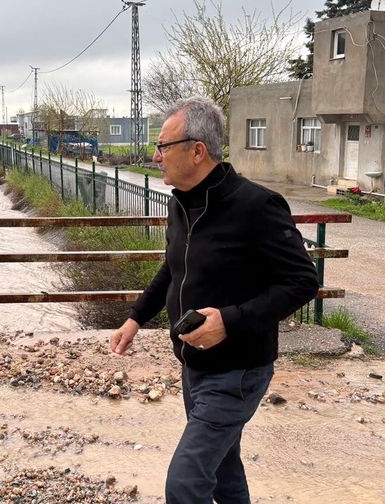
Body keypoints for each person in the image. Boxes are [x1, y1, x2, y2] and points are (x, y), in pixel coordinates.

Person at [110, 96, 319, 503]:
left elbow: (302, 281)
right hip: (195, 367)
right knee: (223, 470)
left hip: (239, 371)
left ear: (197, 151)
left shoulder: (257, 206)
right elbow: (173, 270)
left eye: (163, 146)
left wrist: (229, 320)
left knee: (186, 483)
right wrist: (136, 318)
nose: (156, 157)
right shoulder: (181, 204)